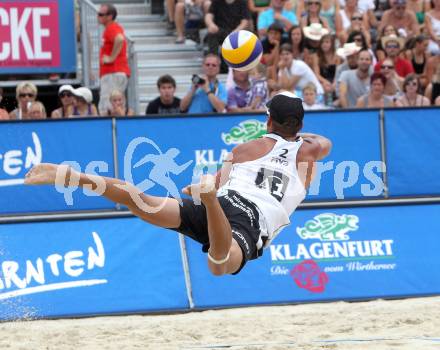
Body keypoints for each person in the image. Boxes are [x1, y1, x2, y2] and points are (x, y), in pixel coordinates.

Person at [24, 91, 332, 276]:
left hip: (226, 201)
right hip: (251, 218)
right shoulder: (307, 151)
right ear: (301, 124)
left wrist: (213, 189)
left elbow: (223, 184)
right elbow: (325, 141)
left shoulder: (243, 150)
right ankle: (208, 200)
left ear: (267, 120)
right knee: (219, 265)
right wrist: (297, 134)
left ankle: (71, 175)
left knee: (140, 200)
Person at [98, 4, 130, 115]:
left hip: (113, 72)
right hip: (114, 72)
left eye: (101, 14)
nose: (98, 17)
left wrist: (111, 58)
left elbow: (120, 39)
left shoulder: (111, 28)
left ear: (110, 16)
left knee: (108, 106)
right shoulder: (112, 28)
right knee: (116, 105)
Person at [204, 0, 249, 71]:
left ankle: (232, 66)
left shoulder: (242, 2)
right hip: (220, 30)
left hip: (236, 31)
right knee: (212, 33)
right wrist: (211, 25)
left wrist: (236, 31)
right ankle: (214, 62)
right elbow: (208, 15)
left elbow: (245, 22)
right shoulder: (216, 2)